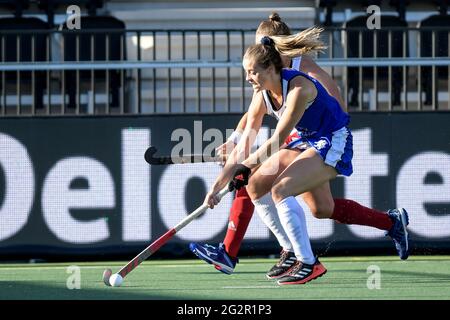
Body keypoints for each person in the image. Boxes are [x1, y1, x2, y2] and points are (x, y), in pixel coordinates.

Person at [190, 14, 409, 279]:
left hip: (329, 138)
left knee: (281, 189)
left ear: (270, 58)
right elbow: (247, 138)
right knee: (305, 203)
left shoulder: (299, 77)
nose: (249, 76)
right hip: (304, 138)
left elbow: (282, 135)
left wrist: (247, 165)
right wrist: (215, 188)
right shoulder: (263, 89)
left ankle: (306, 261)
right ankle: (389, 223)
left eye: (253, 69)